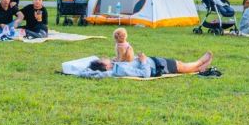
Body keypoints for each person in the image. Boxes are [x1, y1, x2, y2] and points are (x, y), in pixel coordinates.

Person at [87, 49, 216, 78]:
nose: (104, 57)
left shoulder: (117, 65)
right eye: (102, 59)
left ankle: (201, 68)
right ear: (105, 66)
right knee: (182, 66)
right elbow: (145, 74)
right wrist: (143, 61)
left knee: (181, 65)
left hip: (154, 61)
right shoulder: (120, 70)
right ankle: (200, 63)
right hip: (157, 66)